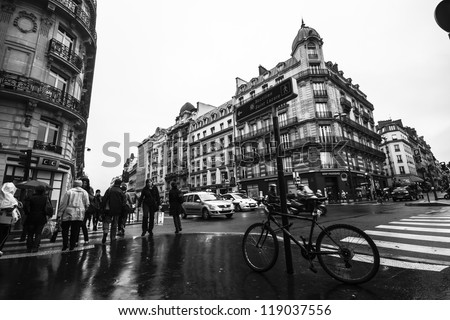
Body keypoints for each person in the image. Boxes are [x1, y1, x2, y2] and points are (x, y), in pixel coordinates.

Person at [57, 180, 90, 251]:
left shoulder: (69, 192)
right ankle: (72, 245)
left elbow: (63, 203)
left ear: (74, 184)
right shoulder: (85, 193)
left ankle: (65, 245)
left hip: (68, 213)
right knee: (75, 230)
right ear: (81, 185)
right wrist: (83, 210)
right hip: (79, 214)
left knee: (65, 230)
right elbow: (87, 204)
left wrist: (59, 214)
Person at [23, 185, 53, 252]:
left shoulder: (31, 197)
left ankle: (29, 247)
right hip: (41, 217)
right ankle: (35, 247)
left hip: (31, 217)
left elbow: (26, 207)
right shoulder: (46, 198)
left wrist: (28, 213)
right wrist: (48, 215)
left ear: (36, 190)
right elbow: (49, 208)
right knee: (38, 233)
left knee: (30, 234)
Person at [101, 179, 126, 244]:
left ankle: (105, 232)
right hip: (117, 210)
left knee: (106, 222)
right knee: (114, 224)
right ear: (120, 184)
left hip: (108, 209)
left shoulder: (109, 189)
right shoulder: (121, 192)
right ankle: (113, 237)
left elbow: (104, 199)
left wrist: (102, 209)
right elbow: (123, 202)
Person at [0, 183, 21, 257]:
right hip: (7, 220)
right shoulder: (12, 198)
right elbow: (13, 208)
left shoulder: (1, 195)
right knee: (4, 235)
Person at [80, 177, 95, 244]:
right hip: (78, 208)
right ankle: (75, 240)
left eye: (85, 183)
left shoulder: (90, 189)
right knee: (77, 224)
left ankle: (86, 238)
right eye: (83, 182)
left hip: (86, 209)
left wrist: (86, 193)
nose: (84, 184)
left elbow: (92, 198)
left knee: (83, 224)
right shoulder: (78, 188)